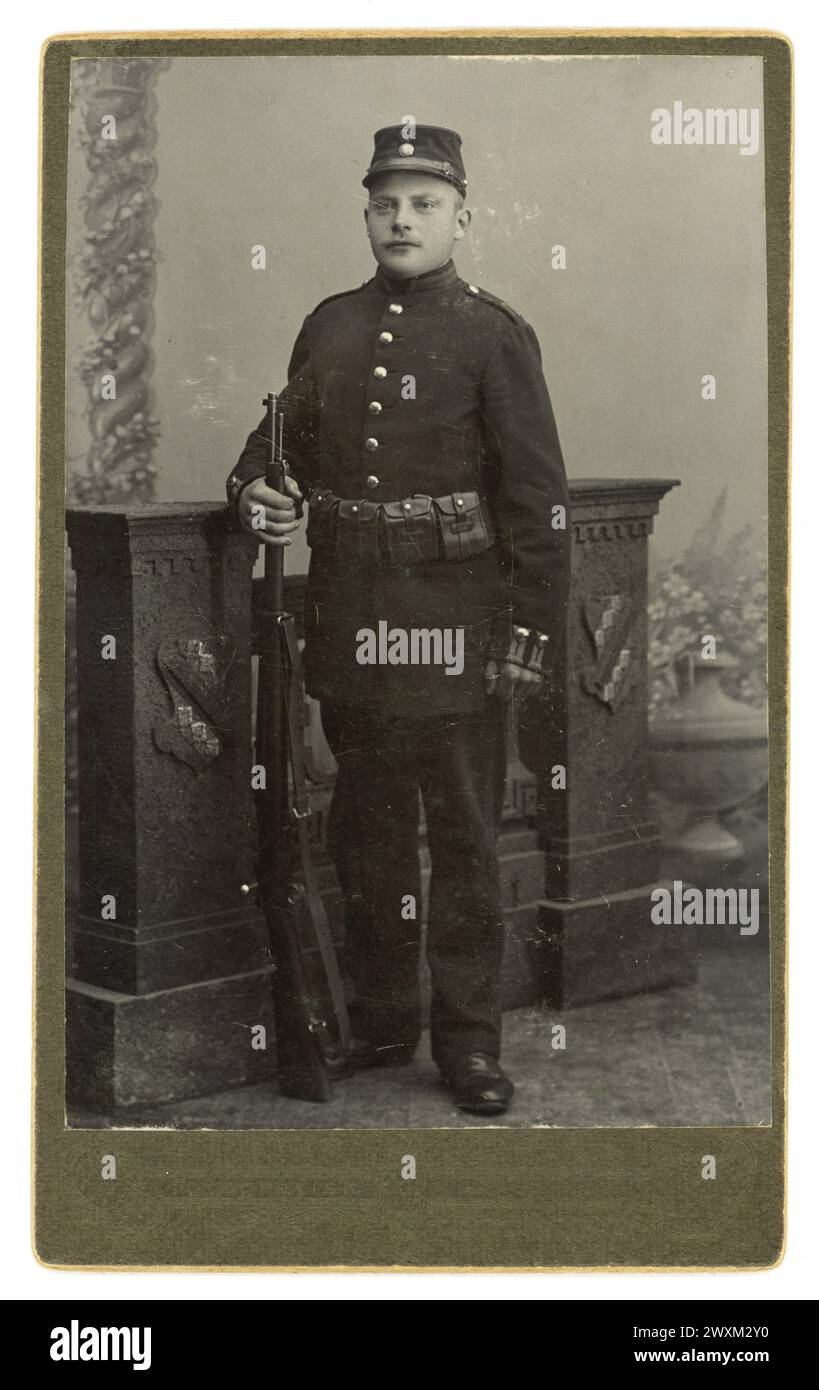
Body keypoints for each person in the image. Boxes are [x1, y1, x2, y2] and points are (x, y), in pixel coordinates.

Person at [226, 124, 570, 1115]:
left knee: (461, 839)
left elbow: (538, 505)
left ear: (462, 215)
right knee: (366, 837)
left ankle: (466, 1043)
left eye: (423, 203)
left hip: (461, 638)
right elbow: (271, 444)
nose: (402, 219)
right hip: (354, 632)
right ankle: (382, 1019)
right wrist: (259, 493)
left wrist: (526, 637)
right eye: (386, 203)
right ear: (367, 213)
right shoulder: (328, 326)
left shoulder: (494, 334)